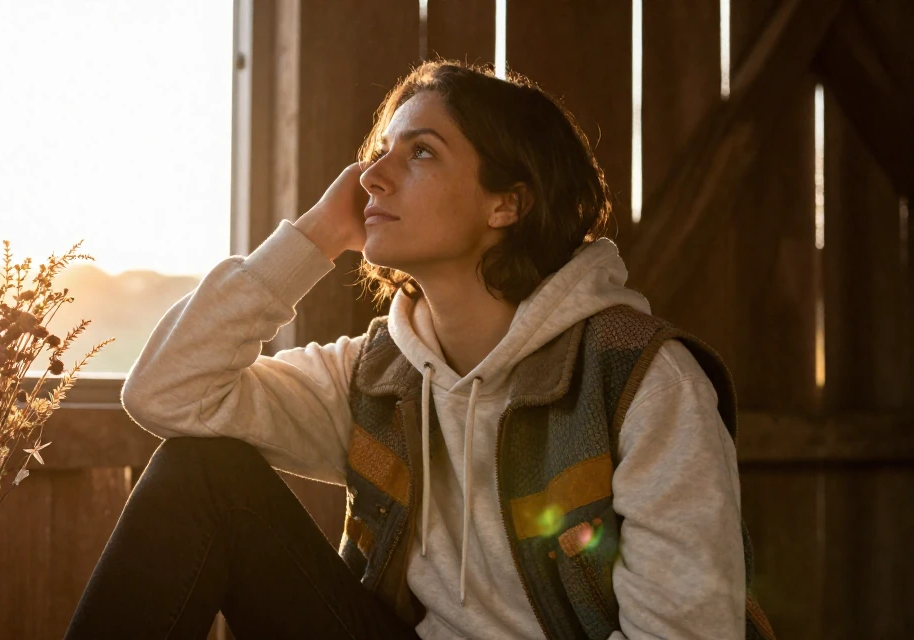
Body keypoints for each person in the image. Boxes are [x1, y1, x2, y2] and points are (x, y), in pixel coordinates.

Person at [64, 60, 774, 640]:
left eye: (421, 152)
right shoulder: (380, 377)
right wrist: (317, 235)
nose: (370, 177)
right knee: (201, 474)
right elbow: (167, 393)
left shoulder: (643, 381)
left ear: (507, 203)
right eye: (379, 153)